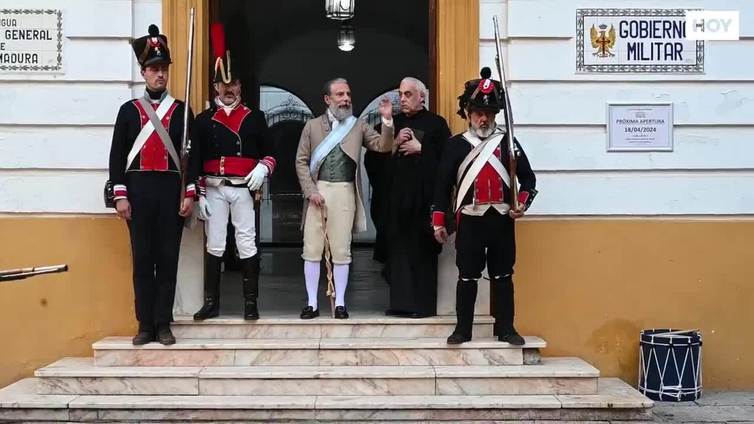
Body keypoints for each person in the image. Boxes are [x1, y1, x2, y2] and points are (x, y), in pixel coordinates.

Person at [432, 67, 537, 345]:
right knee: (467, 277)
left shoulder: (508, 142)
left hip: (501, 219)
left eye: (488, 113)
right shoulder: (456, 146)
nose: (483, 118)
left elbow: (528, 179)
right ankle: (462, 330)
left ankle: (507, 329)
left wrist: (521, 204)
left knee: (503, 276)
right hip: (470, 220)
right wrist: (439, 221)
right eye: (478, 112)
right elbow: (442, 186)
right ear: (468, 113)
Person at [108, 24, 198, 345]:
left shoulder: (182, 111)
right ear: (143, 72)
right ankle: (144, 323)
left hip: (170, 192)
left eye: (163, 69)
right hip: (138, 191)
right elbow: (117, 157)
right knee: (143, 260)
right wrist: (120, 196)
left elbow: (193, 159)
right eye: (154, 69)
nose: (160, 75)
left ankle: (163, 323)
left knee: (167, 259)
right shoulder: (129, 112)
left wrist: (189, 194)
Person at [192, 23, 276, 321]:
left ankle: (250, 304)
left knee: (246, 242)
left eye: (234, 85)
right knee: (215, 243)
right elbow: (195, 160)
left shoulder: (256, 119)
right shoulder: (203, 120)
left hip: (243, 188)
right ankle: (212, 303)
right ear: (216, 87)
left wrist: (263, 169)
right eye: (223, 86)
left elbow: (271, 153)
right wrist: (197, 191)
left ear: (241, 86)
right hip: (214, 188)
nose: (229, 91)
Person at [295, 78, 394, 319]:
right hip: (317, 191)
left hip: (345, 192)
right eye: (340, 94)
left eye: (348, 94)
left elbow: (383, 146)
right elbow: (301, 161)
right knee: (312, 248)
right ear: (328, 99)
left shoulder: (357, 126)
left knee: (341, 249)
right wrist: (311, 192)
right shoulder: (312, 126)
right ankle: (312, 303)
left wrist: (387, 120)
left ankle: (339, 303)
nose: (346, 99)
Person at [383, 77, 451, 318]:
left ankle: (421, 307)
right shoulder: (396, 123)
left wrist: (421, 149)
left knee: (422, 254)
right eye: (400, 94)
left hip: (425, 201)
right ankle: (400, 304)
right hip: (399, 201)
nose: (402, 98)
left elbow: (447, 162)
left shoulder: (437, 124)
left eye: (408, 94)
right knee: (399, 252)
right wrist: (394, 143)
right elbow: (377, 161)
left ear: (422, 97)